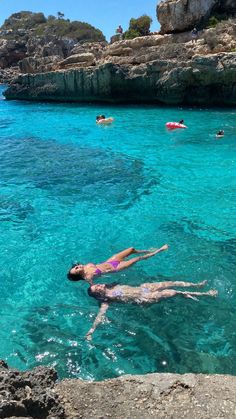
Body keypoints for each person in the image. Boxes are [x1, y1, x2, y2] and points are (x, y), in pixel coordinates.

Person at [83, 280, 218, 340]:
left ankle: (196, 285)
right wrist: (91, 331)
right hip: (144, 298)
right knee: (173, 291)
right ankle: (206, 294)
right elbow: (100, 315)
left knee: (171, 282)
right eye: (97, 288)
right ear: (98, 295)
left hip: (144, 288)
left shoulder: (110, 286)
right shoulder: (106, 301)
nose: (99, 285)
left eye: (98, 285)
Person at [67, 244, 168, 284]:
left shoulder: (84, 266)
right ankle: (158, 251)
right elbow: (93, 287)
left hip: (110, 261)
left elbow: (75, 263)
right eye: (76, 269)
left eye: (75, 266)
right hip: (116, 268)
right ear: (79, 275)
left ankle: (146, 251)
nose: (77, 266)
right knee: (137, 259)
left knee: (131, 249)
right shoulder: (88, 277)